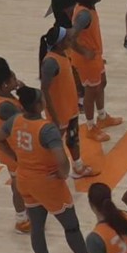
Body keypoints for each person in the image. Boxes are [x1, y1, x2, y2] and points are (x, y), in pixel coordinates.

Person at [0, 86, 93, 253]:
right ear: (39, 105)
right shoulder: (46, 129)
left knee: (37, 227)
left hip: (25, 180)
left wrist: (15, 157)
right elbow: (61, 159)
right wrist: (63, 174)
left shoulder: (15, 120)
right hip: (46, 183)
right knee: (71, 226)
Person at [69, 0, 123, 143]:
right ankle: (90, 127)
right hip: (87, 59)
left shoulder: (88, 9)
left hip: (95, 56)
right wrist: (84, 51)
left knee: (102, 83)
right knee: (90, 92)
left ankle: (102, 117)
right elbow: (71, 37)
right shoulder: (84, 15)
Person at [41, 27, 97, 178]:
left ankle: (78, 167)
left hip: (70, 107)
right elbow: (44, 90)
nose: (70, 40)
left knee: (73, 138)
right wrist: (53, 114)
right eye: (67, 39)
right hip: (58, 111)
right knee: (53, 143)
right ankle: (45, 167)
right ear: (59, 43)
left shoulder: (64, 53)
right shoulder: (50, 62)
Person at [0, 57, 29, 234]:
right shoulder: (6, 107)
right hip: (13, 151)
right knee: (18, 186)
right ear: (5, 84)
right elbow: (28, 116)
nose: (16, 80)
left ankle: (25, 214)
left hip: (15, 148)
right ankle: (21, 220)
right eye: (13, 79)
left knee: (22, 184)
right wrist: (25, 91)